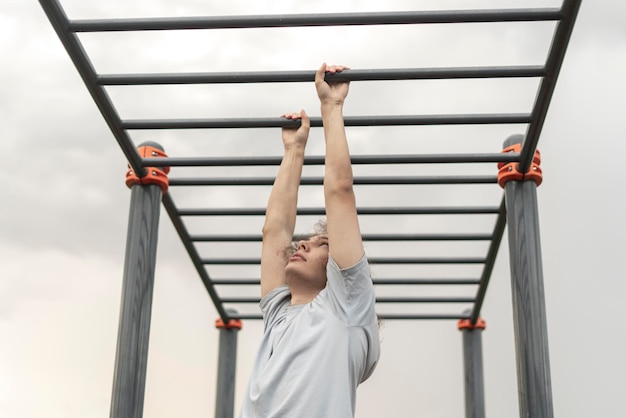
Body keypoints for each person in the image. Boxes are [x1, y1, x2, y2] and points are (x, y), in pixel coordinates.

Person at [239, 64, 380, 418]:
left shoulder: (346, 305)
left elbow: (340, 192)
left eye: (320, 244)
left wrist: (331, 108)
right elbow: (275, 232)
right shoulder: (279, 314)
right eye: (306, 241)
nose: (302, 244)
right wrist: (294, 151)